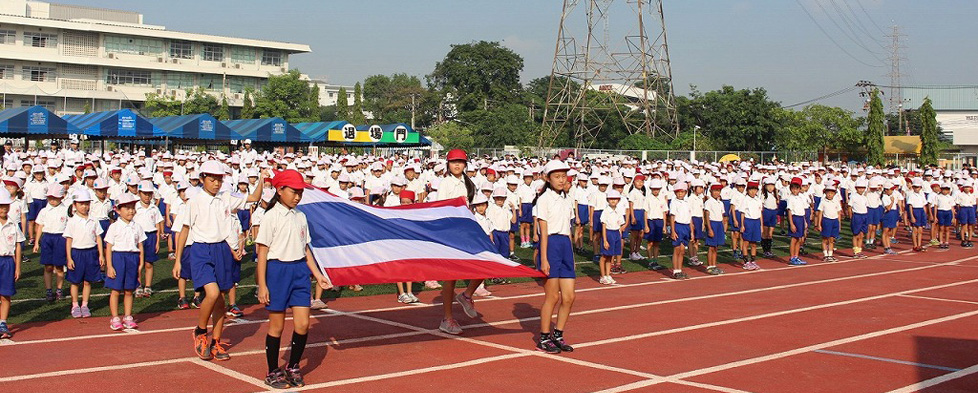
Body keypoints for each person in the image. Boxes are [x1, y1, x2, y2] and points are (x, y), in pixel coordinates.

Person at [173, 160, 264, 361]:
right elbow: (184, 229)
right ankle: (200, 331)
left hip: (221, 249)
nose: (216, 183)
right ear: (203, 178)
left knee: (221, 300)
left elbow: (255, 197)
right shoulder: (195, 201)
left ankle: (215, 342)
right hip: (200, 249)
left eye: (219, 179)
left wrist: (263, 178)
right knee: (212, 293)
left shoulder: (226, 197)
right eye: (212, 178)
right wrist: (178, 260)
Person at [256, 170, 332, 389]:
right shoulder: (270, 216)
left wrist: (317, 274)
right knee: (277, 327)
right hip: (277, 271)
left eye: (300, 192)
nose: (298, 196)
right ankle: (272, 371)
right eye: (293, 191)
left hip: (299, 271)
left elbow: (305, 248)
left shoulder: (301, 216)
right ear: (279, 191)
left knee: (303, 323)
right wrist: (262, 285)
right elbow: (262, 252)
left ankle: (293, 366)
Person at [434, 149, 484, 335]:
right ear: (447, 164)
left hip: (466, 230)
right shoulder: (446, 183)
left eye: (460, 162)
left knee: (485, 262)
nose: (457, 165)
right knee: (451, 276)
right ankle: (447, 318)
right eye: (453, 162)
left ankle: (467, 295)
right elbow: (441, 209)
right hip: (450, 231)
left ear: (465, 164)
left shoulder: (468, 183)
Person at [534, 159, 575, 354]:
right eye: (557, 177)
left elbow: (568, 228)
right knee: (552, 296)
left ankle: (558, 334)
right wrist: (544, 259)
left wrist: (571, 255)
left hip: (565, 246)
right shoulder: (544, 200)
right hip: (551, 246)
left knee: (569, 297)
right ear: (547, 178)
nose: (561, 180)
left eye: (563, 176)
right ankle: (543, 337)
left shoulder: (567, 198)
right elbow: (543, 232)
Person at [104, 193, 146, 331]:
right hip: (118, 258)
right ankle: (115, 317)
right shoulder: (114, 227)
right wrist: (109, 266)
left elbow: (140, 245)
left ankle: (128, 316)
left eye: (132, 207)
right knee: (116, 289)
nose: (130, 211)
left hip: (132, 258)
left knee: (129, 290)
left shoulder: (137, 226)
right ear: (118, 210)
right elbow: (109, 247)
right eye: (126, 208)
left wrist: (140, 263)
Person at [63, 189, 105, 318]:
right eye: (81, 204)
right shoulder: (72, 221)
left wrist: (101, 255)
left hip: (91, 252)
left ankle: (85, 305)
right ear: (75, 205)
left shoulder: (94, 220)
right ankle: (75, 305)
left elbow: (98, 237)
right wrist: (69, 258)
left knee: (88, 281)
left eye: (86, 203)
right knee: (75, 281)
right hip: (77, 253)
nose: (84, 206)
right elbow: (69, 241)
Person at [34, 184, 69, 301]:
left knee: (59, 266)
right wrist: (36, 242)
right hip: (47, 238)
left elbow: (69, 227)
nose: (52, 200)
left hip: (60, 238)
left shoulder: (66, 210)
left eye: (55, 198)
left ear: (61, 197)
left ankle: (59, 289)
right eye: (50, 198)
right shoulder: (44, 211)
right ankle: (49, 290)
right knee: (48, 266)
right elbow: (40, 226)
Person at [0, 191, 24, 338]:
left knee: (6, 294)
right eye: (1, 206)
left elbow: (18, 245)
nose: (3, 209)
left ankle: (3, 323)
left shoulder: (13, 224)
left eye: (6, 206)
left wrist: (18, 267)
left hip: (8, 261)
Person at [134, 181, 163, 298]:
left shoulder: (154, 208)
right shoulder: (135, 207)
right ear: (139, 193)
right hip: (138, 237)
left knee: (149, 263)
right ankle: (138, 285)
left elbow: (157, 225)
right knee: (138, 263)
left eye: (149, 194)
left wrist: (157, 242)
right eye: (144, 193)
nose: (147, 196)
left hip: (151, 236)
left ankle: (148, 286)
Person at [599, 190, 626, 285]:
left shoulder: (619, 211)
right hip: (608, 233)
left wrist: (619, 236)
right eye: (611, 199)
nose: (613, 201)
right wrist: (605, 240)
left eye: (615, 199)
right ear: (607, 200)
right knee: (604, 256)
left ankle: (607, 274)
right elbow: (603, 226)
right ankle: (602, 276)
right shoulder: (606, 211)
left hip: (616, 233)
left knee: (610, 257)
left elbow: (620, 225)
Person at [669, 182, 693, 280]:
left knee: (682, 250)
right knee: (677, 249)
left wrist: (691, 231)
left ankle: (680, 269)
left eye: (682, 192)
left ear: (685, 192)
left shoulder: (687, 203)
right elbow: (672, 217)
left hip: (686, 226)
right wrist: (673, 231)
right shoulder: (674, 202)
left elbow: (690, 218)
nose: (680, 194)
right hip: (678, 226)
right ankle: (676, 270)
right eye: (678, 192)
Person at [643, 179, 667, 270]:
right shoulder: (648, 198)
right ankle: (650, 261)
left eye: (657, 189)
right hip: (651, 221)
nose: (655, 191)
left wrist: (664, 226)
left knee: (657, 243)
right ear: (651, 189)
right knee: (650, 242)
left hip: (659, 222)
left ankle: (655, 260)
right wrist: (646, 225)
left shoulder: (662, 198)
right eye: (654, 189)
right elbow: (645, 212)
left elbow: (664, 212)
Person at [815, 183, 842, 261]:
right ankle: (825, 255)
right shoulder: (823, 201)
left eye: (831, 193)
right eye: (828, 193)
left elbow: (839, 213)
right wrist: (819, 224)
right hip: (826, 220)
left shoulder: (836, 201)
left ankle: (830, 254)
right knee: (825, 239)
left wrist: (839, 224)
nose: (830, 194)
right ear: (825, 193)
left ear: (834, 194)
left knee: (831, 239)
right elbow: (820, 213)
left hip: (834, 220)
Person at [739, 181, 763, 267]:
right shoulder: (745, 200)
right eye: (751, 190)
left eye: (755, 190)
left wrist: (761, 225)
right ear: (748, 190)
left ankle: (753, 261)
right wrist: (742, 225)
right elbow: (742, 213)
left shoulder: (758, 200)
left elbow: (760, 213)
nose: (753, 192)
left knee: (754, 243)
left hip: (756, 222)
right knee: (746, 242)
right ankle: (746, 262)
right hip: (748, 221)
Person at [703, 184, 725, 275]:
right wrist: (709, 228)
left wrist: (723, 227)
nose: (716, 193)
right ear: (711, 192)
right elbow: (707, 214)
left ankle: (714, 265)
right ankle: (709, 266)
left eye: (718, 191)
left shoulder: (720, 203)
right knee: (711, 246)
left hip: (719, 223)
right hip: (712, 223)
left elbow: (722, 215)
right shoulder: (709, 202)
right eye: (715, 191)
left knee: (716, 246)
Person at [786, 178, 809, 265]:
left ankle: (796, 256)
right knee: (794, 239)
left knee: (799, 239)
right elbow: (789, 211)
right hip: (795, 218)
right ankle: (792, 257)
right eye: (793, 188)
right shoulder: (790, 198)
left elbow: (802, 210)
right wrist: (791, 223)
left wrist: (805, 222)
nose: (795, 190)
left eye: (797, 188)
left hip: (801, 218)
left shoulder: (801, 197)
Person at [848, 179, 869, 258]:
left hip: (864, 215)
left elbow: (866, 206)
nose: (861, 190)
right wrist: (851, 216)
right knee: (856, 234)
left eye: (863, 188)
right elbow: (849, 207)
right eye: (859, 188)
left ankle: (859, 250)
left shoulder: (864, 197)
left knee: (861, 234)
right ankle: (855, 251)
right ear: (856, 188)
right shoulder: (853, 196)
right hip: (857, 215)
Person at [906, 179, 928, 252]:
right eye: (915, 187)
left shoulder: (922, 195)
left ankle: (919, 244)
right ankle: (915, 245)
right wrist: (912, 216)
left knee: (920, 230)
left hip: (921, 211)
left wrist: (925, 214)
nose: (916, 188)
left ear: (920, 188)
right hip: (915, 211)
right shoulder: (911, 195)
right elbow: (910, 206)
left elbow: (924, 205)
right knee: (914, 230)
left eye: (918, 187)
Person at [934, 183, 955, 249]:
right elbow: (935, 206)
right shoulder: (938, 197)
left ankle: (946, 242)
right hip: (941, 212)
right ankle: (941, 241)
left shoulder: (950, 197)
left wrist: (953, 217)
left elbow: (952, 208)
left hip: (948, 212)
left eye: (947, 190)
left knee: (947, 228)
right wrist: (935, 216)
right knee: (941, 228)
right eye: (943, 189)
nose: (945, 191)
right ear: (941, 190)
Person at [956, 182, 975, 248]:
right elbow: (958, 204)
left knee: (970, 225)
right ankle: (963, 240)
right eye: (966, 187)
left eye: (968, 187)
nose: (967, 189)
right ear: (963, 188)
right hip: (963, 208)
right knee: (963, 225)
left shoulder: (972, 195)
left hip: (970, 208)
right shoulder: (960, 195)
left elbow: (973, 203)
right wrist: (960, 211)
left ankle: (969, 239)